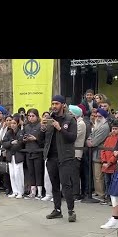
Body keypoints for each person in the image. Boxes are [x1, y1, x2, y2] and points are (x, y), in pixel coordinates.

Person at [42, 94, 78, 222]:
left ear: (63, 105)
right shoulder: (49, 118)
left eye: (57, 104)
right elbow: (45, 139)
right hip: (51, 157)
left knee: (66, 184)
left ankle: (71, 210)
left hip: (65, 157)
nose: (54, 106)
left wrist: (60, 128)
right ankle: (57, 209)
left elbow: (72, 137)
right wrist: (43, 129)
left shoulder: (70, 119)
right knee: (54, 185)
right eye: (53, 104)